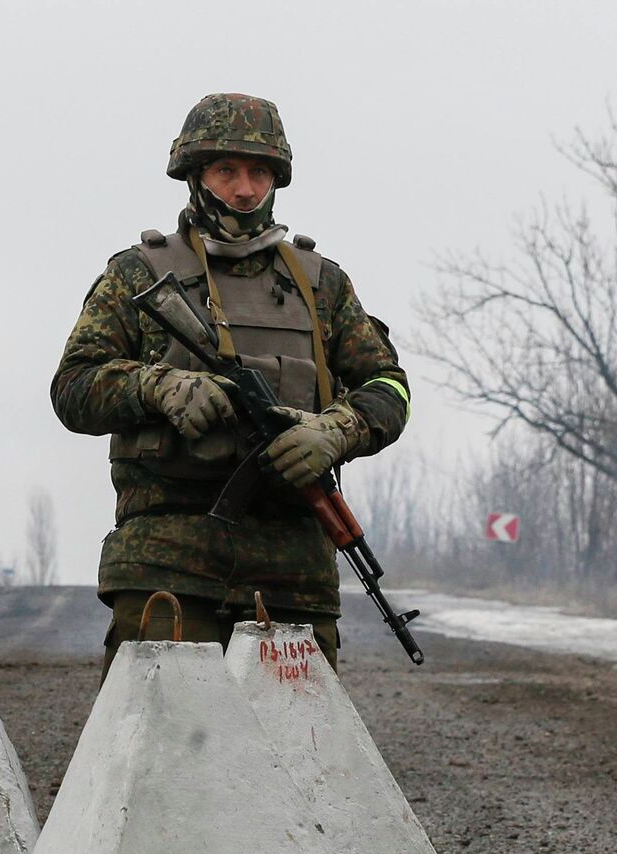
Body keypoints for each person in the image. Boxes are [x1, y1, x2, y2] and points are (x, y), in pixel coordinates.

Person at [53, 93, 410, 672]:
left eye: (258, 172)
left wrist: (336, 431)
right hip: (166, 569)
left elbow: (389, 386)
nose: (244, 190)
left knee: (299, 732)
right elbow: (73, 387)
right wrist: (159, 388)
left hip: (294, 576)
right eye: (226, 171)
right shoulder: (139, 274)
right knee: (161, 730)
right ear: (195, 175)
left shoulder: (322, 286)